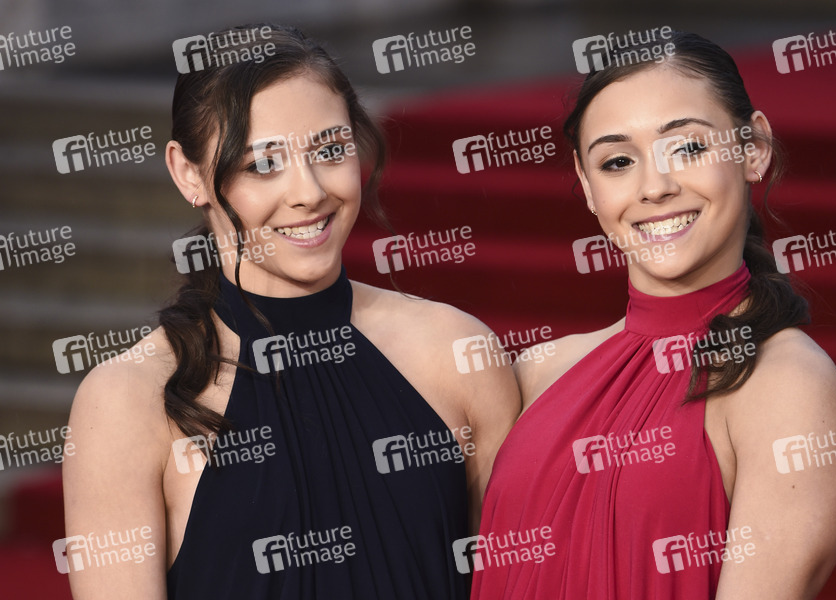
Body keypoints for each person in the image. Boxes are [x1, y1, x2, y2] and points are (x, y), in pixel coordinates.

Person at [62, 24, 519, 599]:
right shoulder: (126, 401)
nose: (309, 192)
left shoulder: (457, 352)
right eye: (263, 164)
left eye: (329, 151)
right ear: (188, 174)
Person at [472, 32, 836, 599]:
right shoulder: (538, 370)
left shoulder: (791, 387)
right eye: (618, 162)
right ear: (587, 186)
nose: (654, 187)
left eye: (688, 148)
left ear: (753, 149)